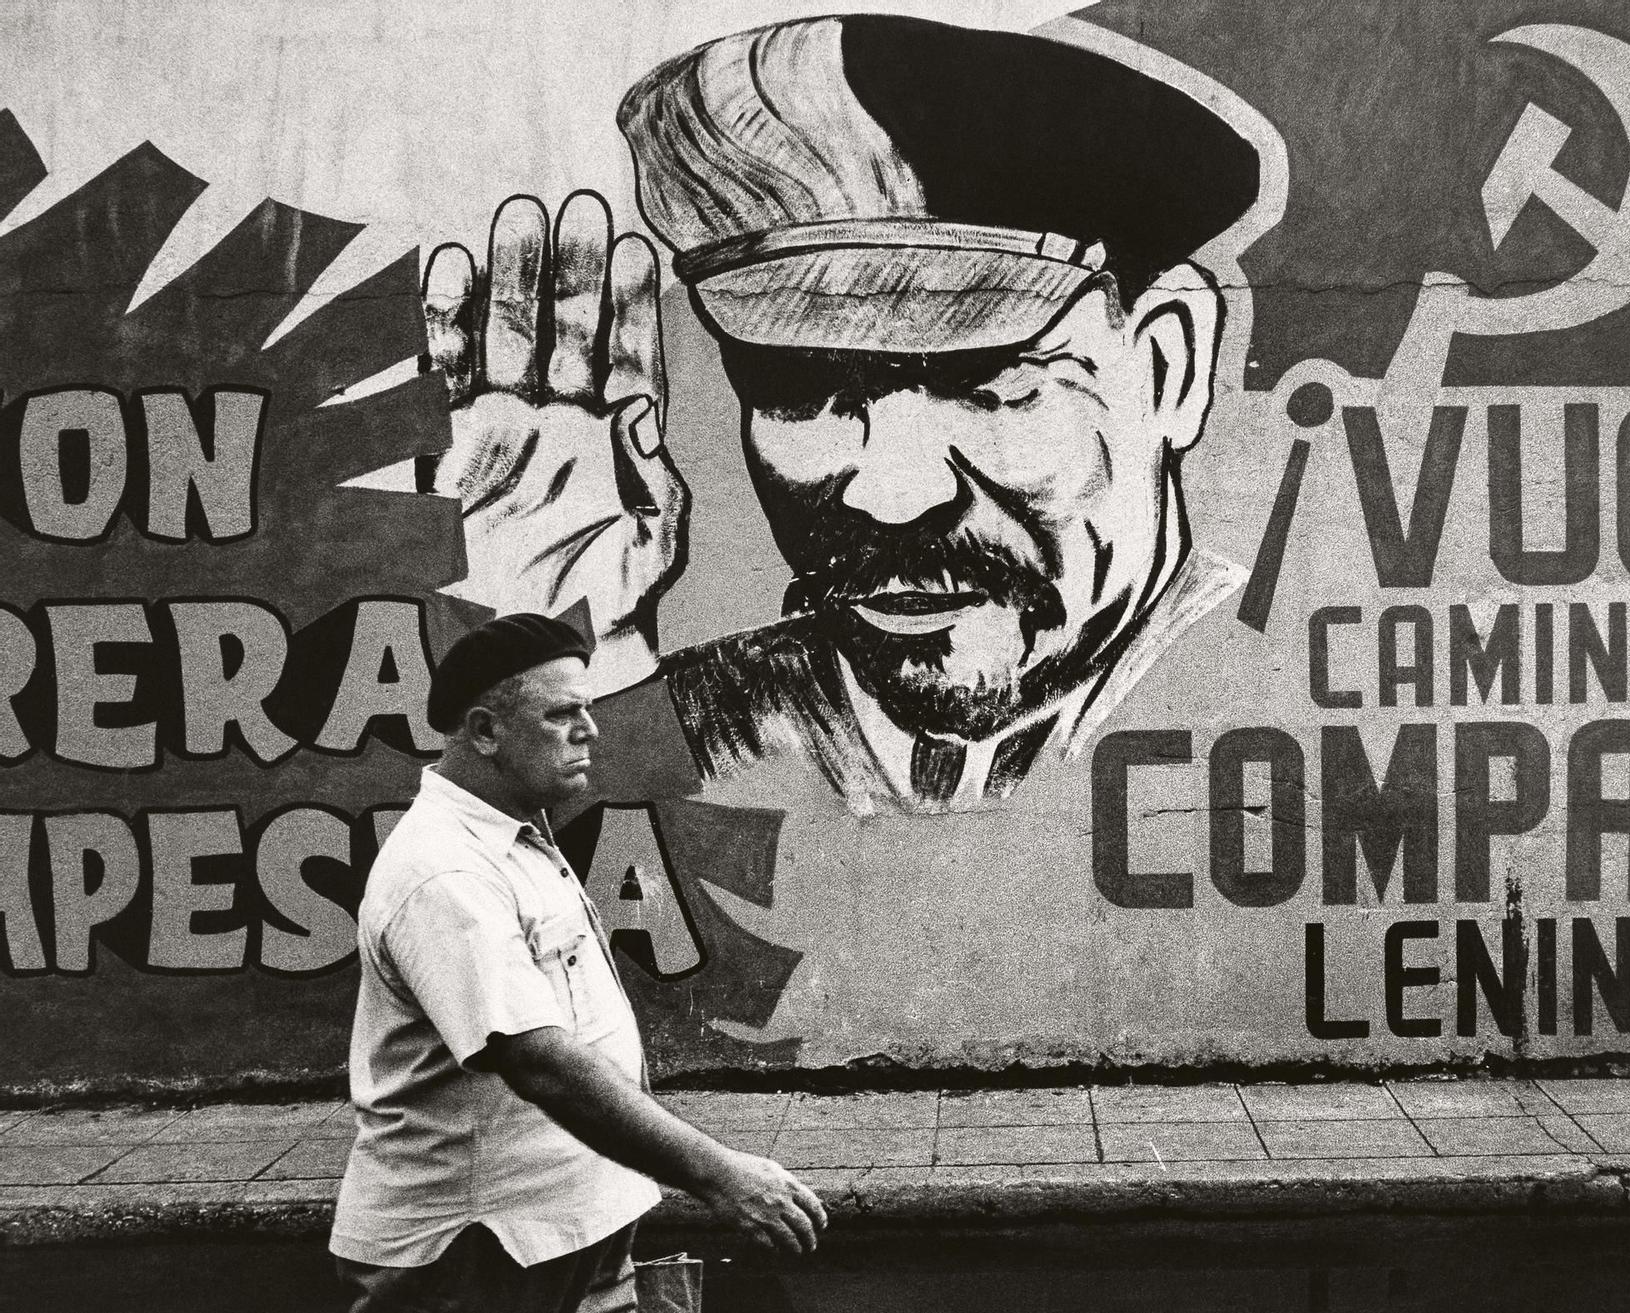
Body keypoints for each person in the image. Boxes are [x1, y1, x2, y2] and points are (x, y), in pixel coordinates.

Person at [421, 14, 1264, 815]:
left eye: (984, 377)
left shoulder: (1262, 675)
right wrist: (560, 659)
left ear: (1167, 366)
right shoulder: (691, 715)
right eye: (796, 385)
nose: (892, 495)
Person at [330, 612, 826, 1312]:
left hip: (557, 1236)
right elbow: (538, 1058)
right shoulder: (444, 873)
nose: (590, 729)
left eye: (587, 709)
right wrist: (720, 1174)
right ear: (484, 731)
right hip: (476, 1256)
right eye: (562, 714)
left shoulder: (515, 833)